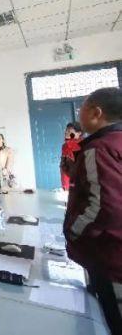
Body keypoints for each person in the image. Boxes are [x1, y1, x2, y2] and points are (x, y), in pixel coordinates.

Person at [64, 87, 122, 335]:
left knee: (112, 321)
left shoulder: (98, 148)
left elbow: (103, 206)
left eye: (82, 108)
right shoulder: (114, 142)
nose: (79, 113)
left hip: (110, 255)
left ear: (96, 113)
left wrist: (72, 231)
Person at [60, 122, 83, 191]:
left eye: (69, 131)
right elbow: (63, 164)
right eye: (66, 130)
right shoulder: (65, 146)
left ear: (79, 133)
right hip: (66, 180)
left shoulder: (84, 144)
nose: (66, 132)